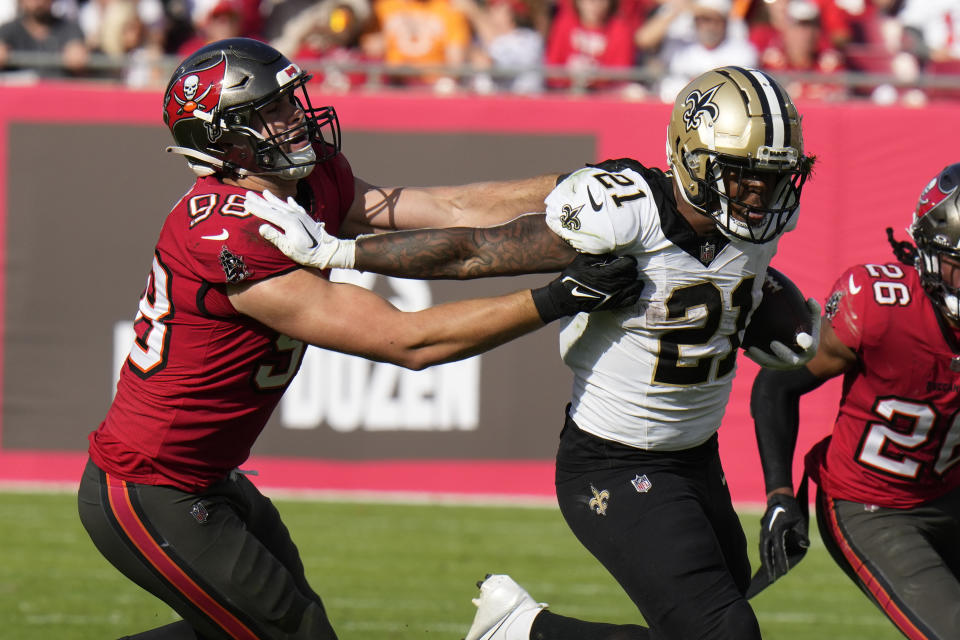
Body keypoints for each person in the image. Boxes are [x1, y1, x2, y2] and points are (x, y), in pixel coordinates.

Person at [76, 37, 644, 640]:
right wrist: (557, 297)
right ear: (222, 139)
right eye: (269, 111)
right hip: (150, 486)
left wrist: (571, 184)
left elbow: (446, 208)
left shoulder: (305, 185)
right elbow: (406, 341)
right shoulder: (229, 233)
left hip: (210, 477)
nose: (294, 118)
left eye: (291, 101)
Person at [250, 65, 821, 640]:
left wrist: (761, 309)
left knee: (715, 611)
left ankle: (524, 630)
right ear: (692, 159)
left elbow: (730, 280)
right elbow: (473, 253)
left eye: (774, 178)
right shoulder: (626, 212)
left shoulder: (759, 224)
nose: (760, 195)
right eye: (744, 177)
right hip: (617, 461)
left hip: (697, 454)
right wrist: (340, 253)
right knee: (725, 633)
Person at [750, 163, 960, 639]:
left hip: (947, 489)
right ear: (929, 252)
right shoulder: (880, 308)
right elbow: (777, 385)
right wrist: (781, 495)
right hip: (872, 507)